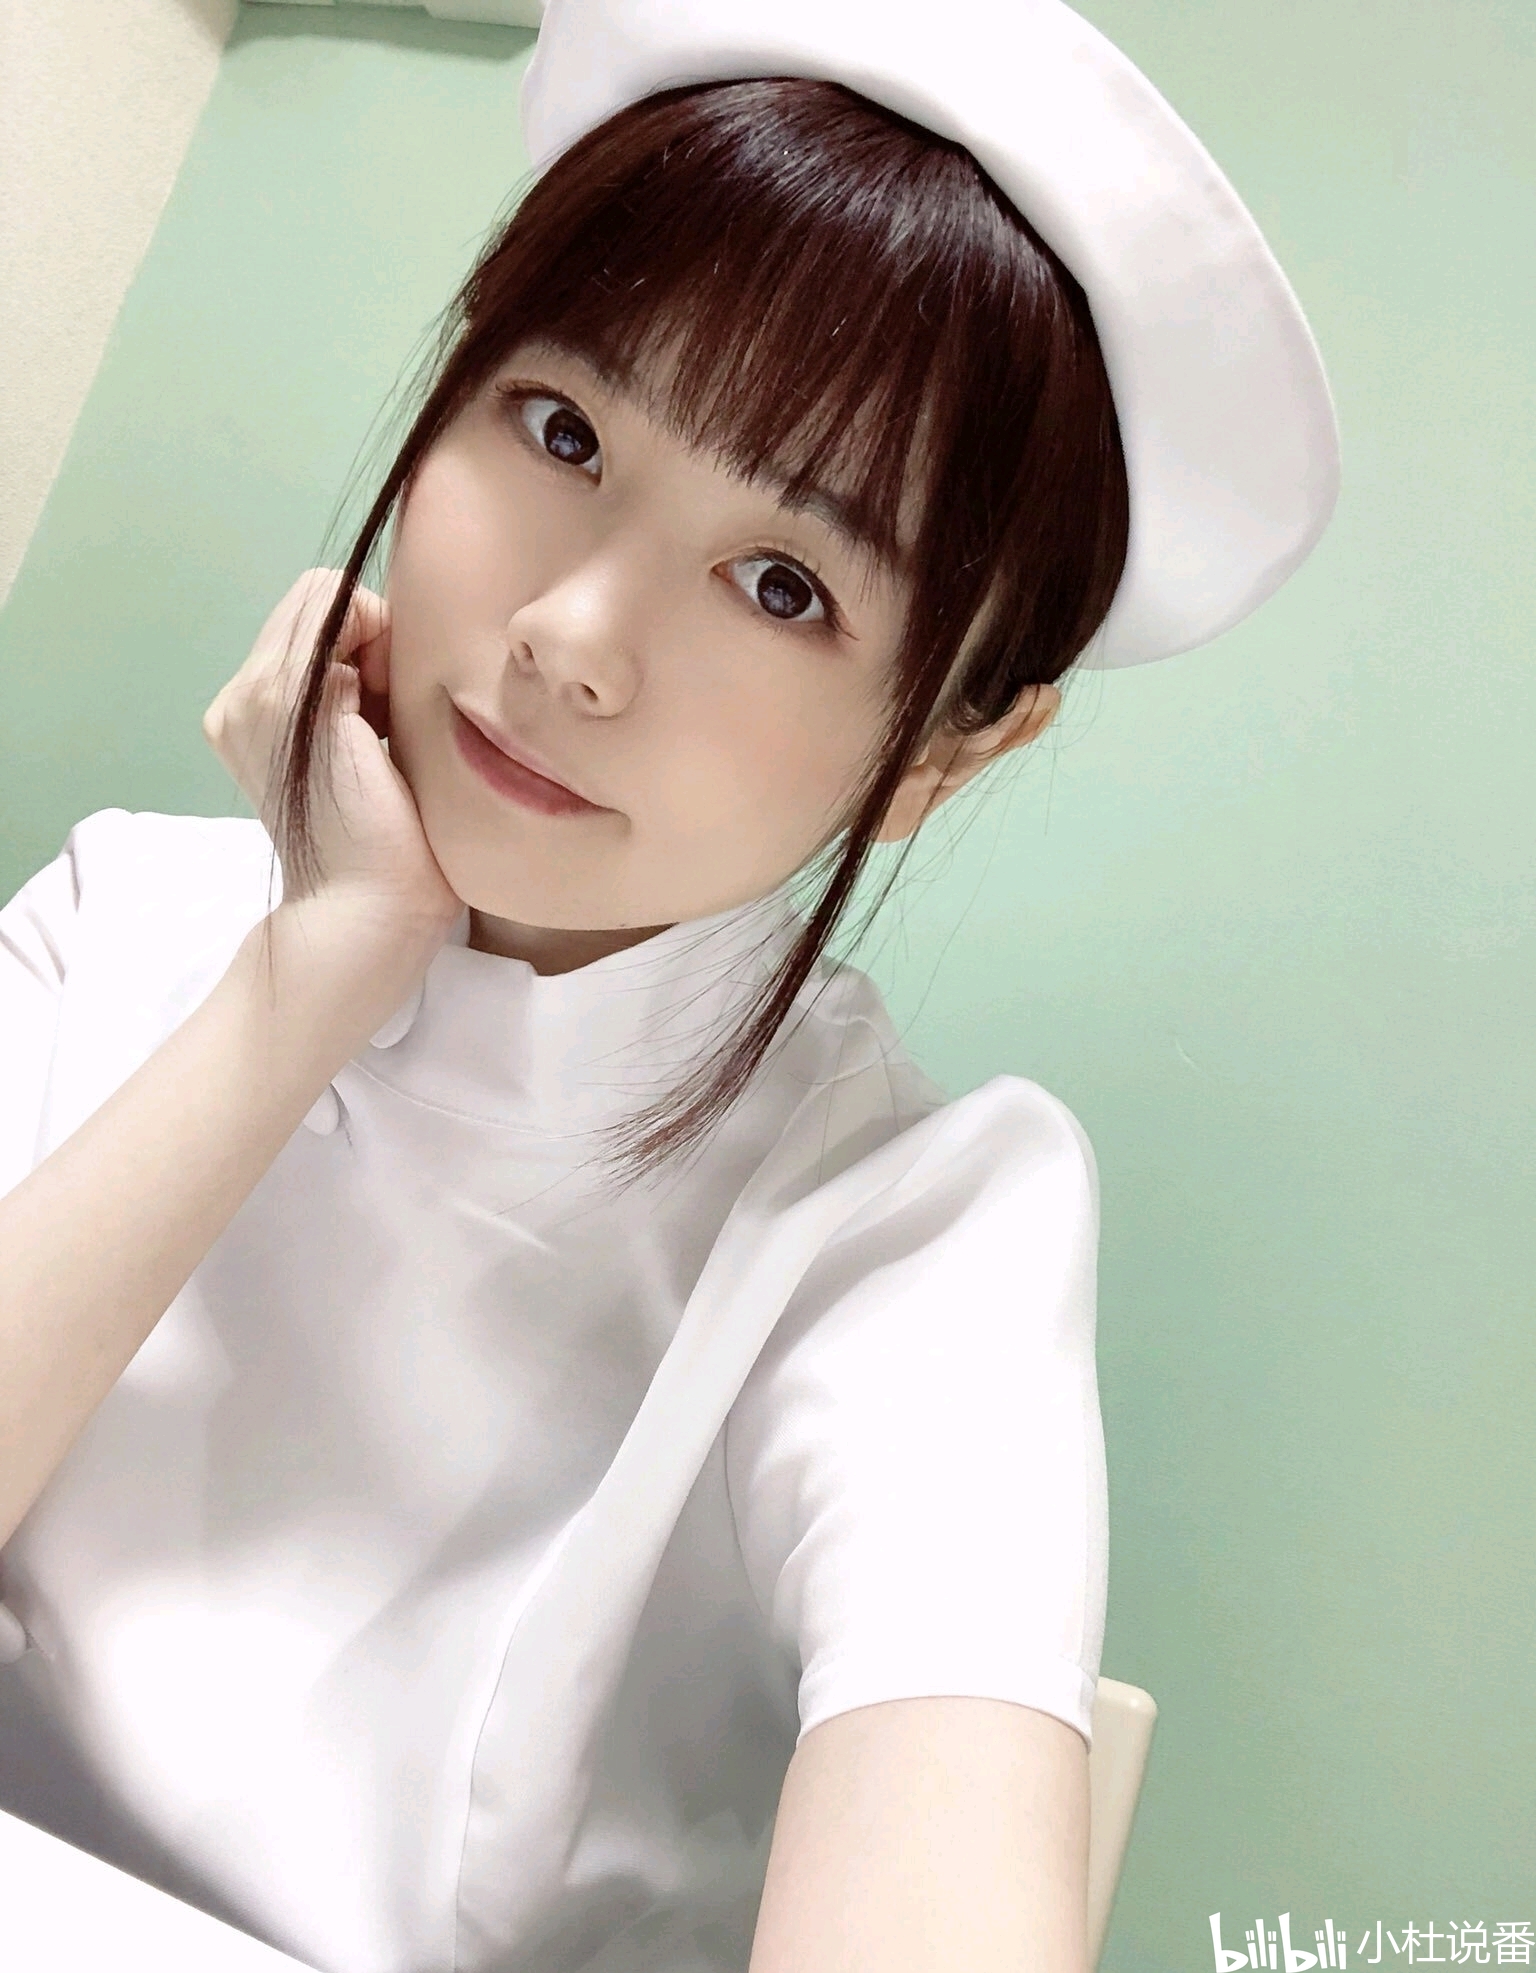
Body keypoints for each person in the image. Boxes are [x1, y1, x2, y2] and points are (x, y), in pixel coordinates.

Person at [0, 1, 1339, 1969]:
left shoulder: (910, 1232)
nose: (570, 636)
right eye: (563, 431)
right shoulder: (122, 918)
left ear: (953, 743)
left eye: (786, 583)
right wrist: (317, 974)